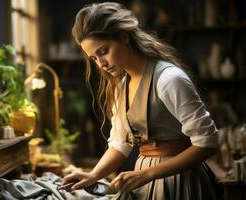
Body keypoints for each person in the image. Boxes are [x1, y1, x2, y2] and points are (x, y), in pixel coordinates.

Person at [62, 2, 219, 199]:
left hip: (180, 181)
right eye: (93, 58)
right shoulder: (121, 86)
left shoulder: (169, 79)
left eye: (103, 51)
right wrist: (93, 175)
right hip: (144, 180)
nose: (101, 64)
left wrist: (147, 174)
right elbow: (120, 144)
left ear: (124, 36)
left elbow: (208, 143)